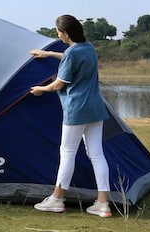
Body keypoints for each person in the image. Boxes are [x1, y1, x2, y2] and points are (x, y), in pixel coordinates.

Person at [29, 14, 112, 217]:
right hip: (95, 108)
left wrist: (41, 89)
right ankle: (103, 204)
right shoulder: (89, 48)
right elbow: (70, 57)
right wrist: (48, 54)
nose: (58, 35)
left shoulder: (72, 54)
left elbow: (59, 84)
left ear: (65, 33)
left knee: (67, 153)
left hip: (77, 110)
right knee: (97, 154)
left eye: (58, 32)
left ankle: (57, 199)